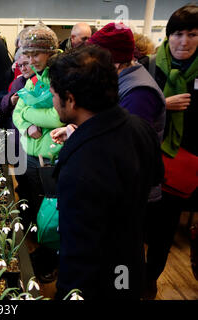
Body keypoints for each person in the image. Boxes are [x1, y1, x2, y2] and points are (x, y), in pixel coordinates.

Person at [49, 45, 164, 300]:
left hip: (97, 284)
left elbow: (78, 250)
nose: (52, 101)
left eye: (54, 94)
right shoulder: (140, 128)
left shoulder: (82, 163)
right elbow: (155, 178)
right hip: (130, 265)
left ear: (71, 99)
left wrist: (68, 293)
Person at [141, 4, 198, 299]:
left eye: (192, 34)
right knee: (146, 227)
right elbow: (132, 109)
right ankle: (140, 279)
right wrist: (164, 103)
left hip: (189, 164)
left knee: (168, 229)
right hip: (151, 160)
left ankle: (154, 278)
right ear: (168, 35)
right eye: (177, 33)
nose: (184, 41)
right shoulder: (150, 66)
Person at [87, 23, 166, 202]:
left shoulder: (139, 92)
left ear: (112, 61)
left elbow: (126, 149)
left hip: (131, 194)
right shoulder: (120, 81)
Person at [11, 23, 64, 282]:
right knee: (35, 206)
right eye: (28, 54)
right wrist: (29, 122)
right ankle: (39, 255)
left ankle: (50, 262)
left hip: (51, 158)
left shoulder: (61, 76)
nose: (31, 60)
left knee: (51, 213)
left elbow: (58, 116)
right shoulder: (33, 78)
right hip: (32, 156)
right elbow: (16, 113)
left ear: (50, 52)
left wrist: (29, 115)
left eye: (37, 54)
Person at [0, 48, 35, 156]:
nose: (23, 69)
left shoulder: (42, 82)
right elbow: (4, 105)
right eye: (20, 65)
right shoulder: (18, 82)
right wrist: (10, 101)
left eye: (26, 64)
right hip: (17, 135)